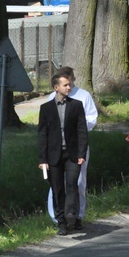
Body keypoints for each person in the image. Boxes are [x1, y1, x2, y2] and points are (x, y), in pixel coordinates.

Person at [45, 67, 97, 229]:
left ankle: (77, 215)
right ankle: (58, 217)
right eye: (65, 81)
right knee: (57, 183)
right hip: (57, 148)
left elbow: (91, 118)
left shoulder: (83, 96)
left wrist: (76, 128)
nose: (68, 85)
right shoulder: (51, 99)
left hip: (76, 145)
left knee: (77, 182)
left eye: (70, 80)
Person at [38, 74, 88, 236]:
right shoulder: (46, 109)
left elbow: (82, 131)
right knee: (57, 188)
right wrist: (43, 159)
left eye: (70, 85)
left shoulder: (76, 105)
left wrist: (82, 153)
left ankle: (71, 213)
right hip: (54, 155)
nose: (69, 87)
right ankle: (61, 222)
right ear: (56, 87)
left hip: (72, 153)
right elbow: (42, 134)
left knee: (72, 183)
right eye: (65, 85)